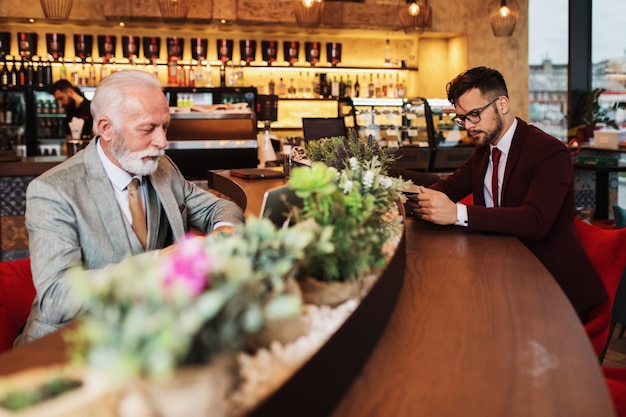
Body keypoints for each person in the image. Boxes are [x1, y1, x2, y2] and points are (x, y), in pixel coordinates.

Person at [15, 70, 245, 345]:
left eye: (165, 127)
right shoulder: (52, 190)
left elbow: (216, 208)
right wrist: (156, 265)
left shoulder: (164, 168)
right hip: (72, 344)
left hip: (150, 338)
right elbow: (56, 296)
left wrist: (225, 229)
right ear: (106, 128)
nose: (162, 142)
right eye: (147, 129)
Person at [408, 66, 606, 323]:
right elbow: (449, 187)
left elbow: (536, 221)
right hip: (502, 271)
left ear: (502, 104)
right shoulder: (485, 150)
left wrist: (457, 213)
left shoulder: (549, 152)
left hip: (551, 286)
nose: (468, 126)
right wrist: (405, 199)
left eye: (475, 115)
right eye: (462, 118)